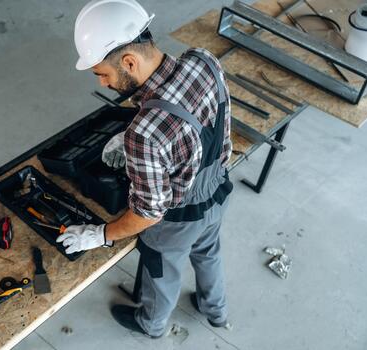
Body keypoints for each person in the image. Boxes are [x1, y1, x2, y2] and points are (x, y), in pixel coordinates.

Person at [56, 0, 233, 338]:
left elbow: (147, 215)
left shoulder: (144, 133)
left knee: (161, 272)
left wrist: (100, 234)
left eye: (103, 75)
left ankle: (151, 325)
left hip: (177, 222)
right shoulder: (203, 60)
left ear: (128, 61)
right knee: (209, 252)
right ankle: (216, 309)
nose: (104, 84)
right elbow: (206, 123)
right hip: (220, 191)